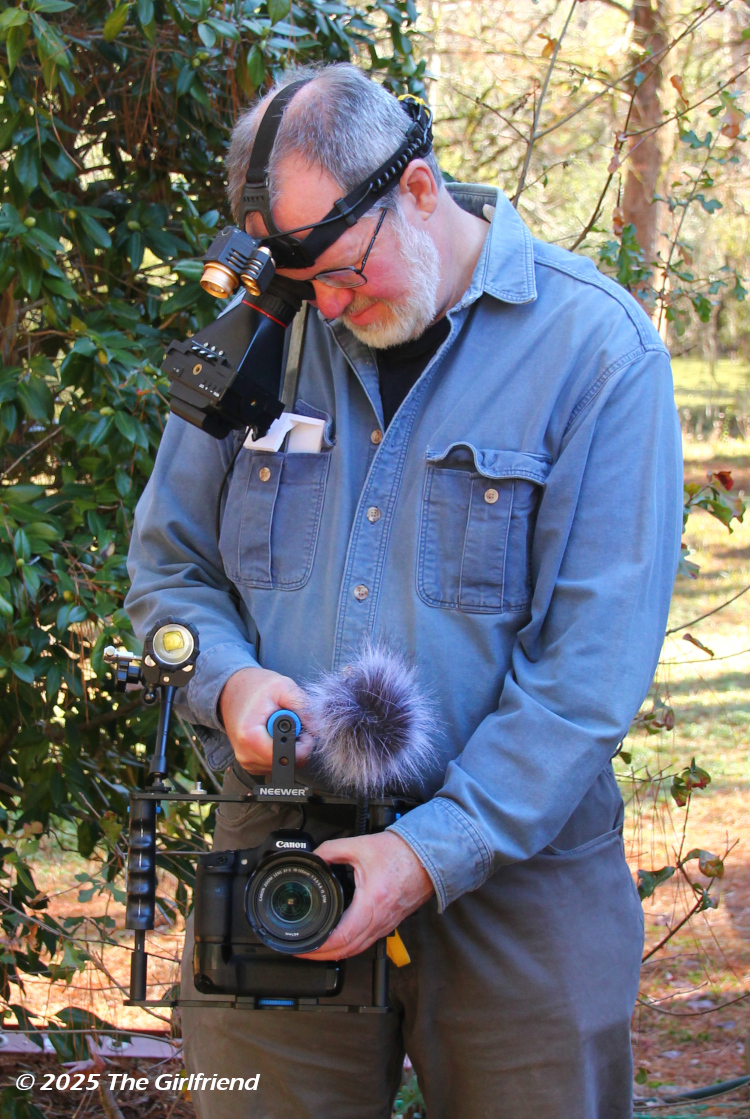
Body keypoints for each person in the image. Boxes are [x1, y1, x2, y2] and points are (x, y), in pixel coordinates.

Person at [125, 62, 683, 1119]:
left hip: (520, 873)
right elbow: (168, 570)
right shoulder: (267, 333)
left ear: (418, 189)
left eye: (341, 271)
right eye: (301, 284)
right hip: (279, 843)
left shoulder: (598, 354)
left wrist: (427, 854)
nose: (325, 306)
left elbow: (588, 675)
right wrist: (232, 685)